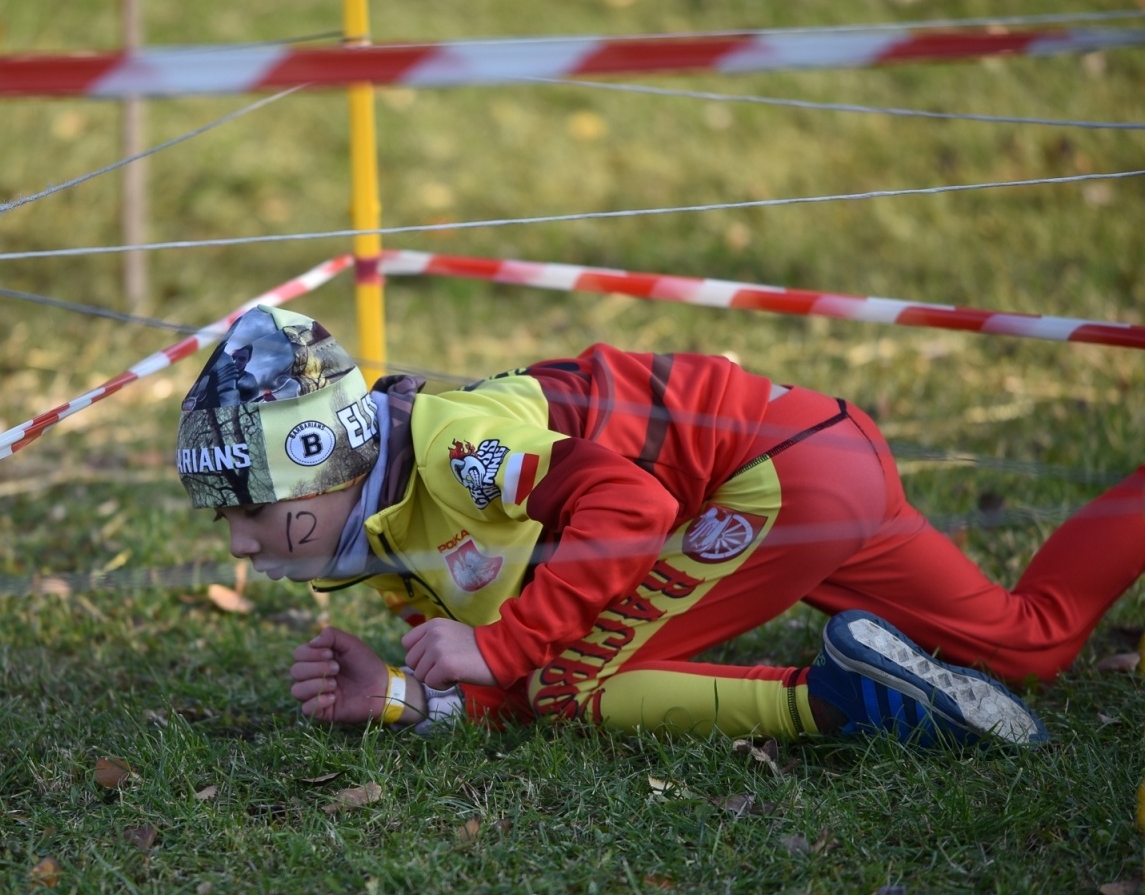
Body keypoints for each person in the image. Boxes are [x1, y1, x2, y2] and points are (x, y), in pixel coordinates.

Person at [176, 305, 1145, 747]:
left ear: (320, 465)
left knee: (572, 680)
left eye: (248, 509)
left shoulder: (453, 448)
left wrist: (503, 642)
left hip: (775, 483)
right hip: (822, 451)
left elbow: (629, 512)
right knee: (1032, 642)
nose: (237, 543)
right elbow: (488, 668)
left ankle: (846, 701)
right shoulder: (384, 524)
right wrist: (395, 693)